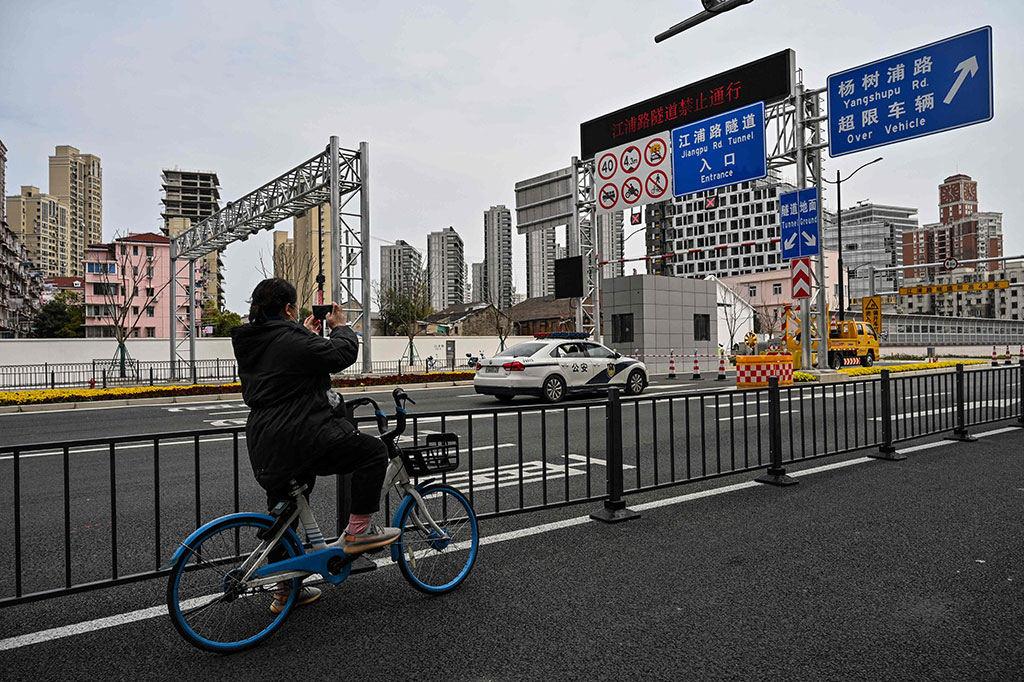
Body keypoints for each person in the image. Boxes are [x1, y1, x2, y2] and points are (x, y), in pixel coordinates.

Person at [231, 278, 399, 614]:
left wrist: (304, 334)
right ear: (289, 307)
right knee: (372, 453)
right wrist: (340, 327)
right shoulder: (288, 339)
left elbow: (292, 365)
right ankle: (358, 533)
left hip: (267, 441)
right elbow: (341, 354)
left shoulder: (253, 340)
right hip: (303, 433)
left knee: (285, 513)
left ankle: (285, 592)